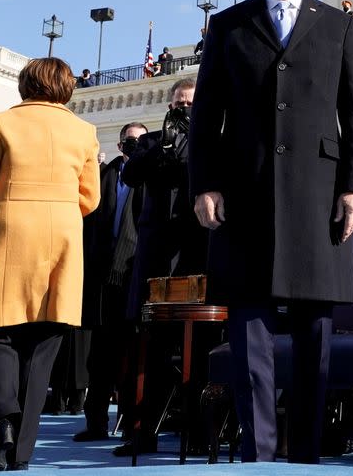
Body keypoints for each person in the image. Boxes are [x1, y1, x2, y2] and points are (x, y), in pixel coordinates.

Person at [188, 0, 353, 464]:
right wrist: (206, 185)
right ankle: (259, 451)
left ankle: (308, 450)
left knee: (316, 330)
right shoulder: (227, 27)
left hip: (320, 198)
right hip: (244, 197)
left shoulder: (338, 27)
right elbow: (205, 119)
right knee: (250, 330)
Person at [0, 57, 100, 471]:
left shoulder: (2, 122)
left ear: (26, 84)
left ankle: (3, 415)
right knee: (43, 346)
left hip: (9, 229)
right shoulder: (85, 131)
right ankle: (18, 454)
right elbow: (90, 198)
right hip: (60, 234)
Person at [121, 77, 215, 456]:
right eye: (178, 103)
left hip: (195, 252)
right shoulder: (151, 141)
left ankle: (195, 431)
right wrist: (161, 146)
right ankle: (141, 433)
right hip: (155, 256)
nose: (182, 109)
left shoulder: (209, 139)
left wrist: (191, 142)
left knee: (197, 347)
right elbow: (131, 174)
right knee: (151, 348)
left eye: (190, 103)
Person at [75, 121, 147, 449]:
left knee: (131, 357)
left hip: (133, 275)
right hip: (100, 278)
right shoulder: (103, 176)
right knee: (99, 357)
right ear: (120, 146)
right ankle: (96, 422)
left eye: (140, 142)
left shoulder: (148, 176)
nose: (134, 146)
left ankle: (133, 425)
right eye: (130, 142)